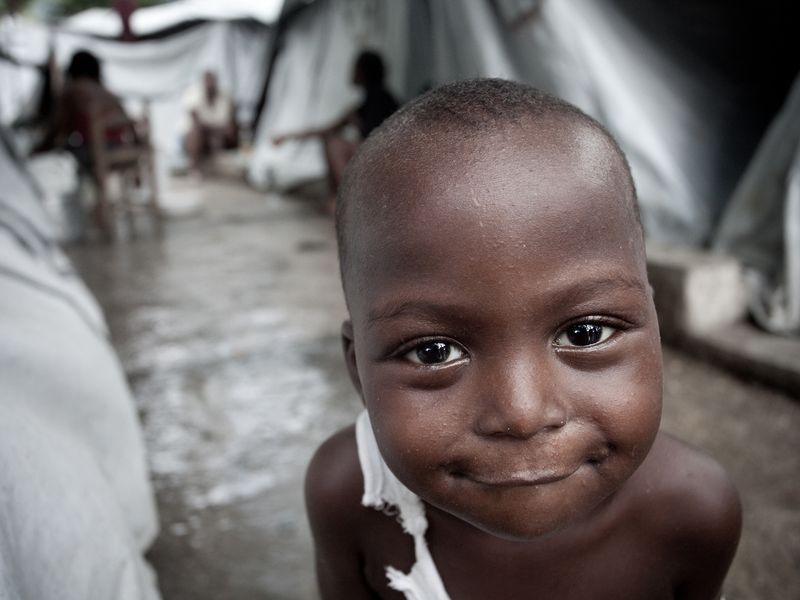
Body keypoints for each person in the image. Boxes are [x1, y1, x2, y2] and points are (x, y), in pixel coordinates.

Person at [305, 79, 742, 599]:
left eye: (585, 333)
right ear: (358, 372)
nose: (522, 414)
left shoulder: (695, 513)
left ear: (654, 327)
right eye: (433, 352)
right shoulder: (347, 496)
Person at [273, 50, 398, 210]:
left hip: (384, 163)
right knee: (332, 140)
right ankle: (338, 197)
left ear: (364, 72)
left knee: (335, 144)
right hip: (377, 158)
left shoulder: (381, 100)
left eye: (356, 68)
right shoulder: (367, 103)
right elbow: (327, 129)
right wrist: (288, 136)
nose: (351, 72)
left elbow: (380, 140)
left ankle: (346, 199)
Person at [183, 70, 238, 174]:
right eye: (208, 82)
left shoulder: (225, 97)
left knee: (232, 130)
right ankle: (194, 167)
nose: (210, 85)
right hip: (194, 136)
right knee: (196, 132)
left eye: (213, 82)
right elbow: (197, 121)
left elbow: (228, 122)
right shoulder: (194, 94)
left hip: (217, 133)